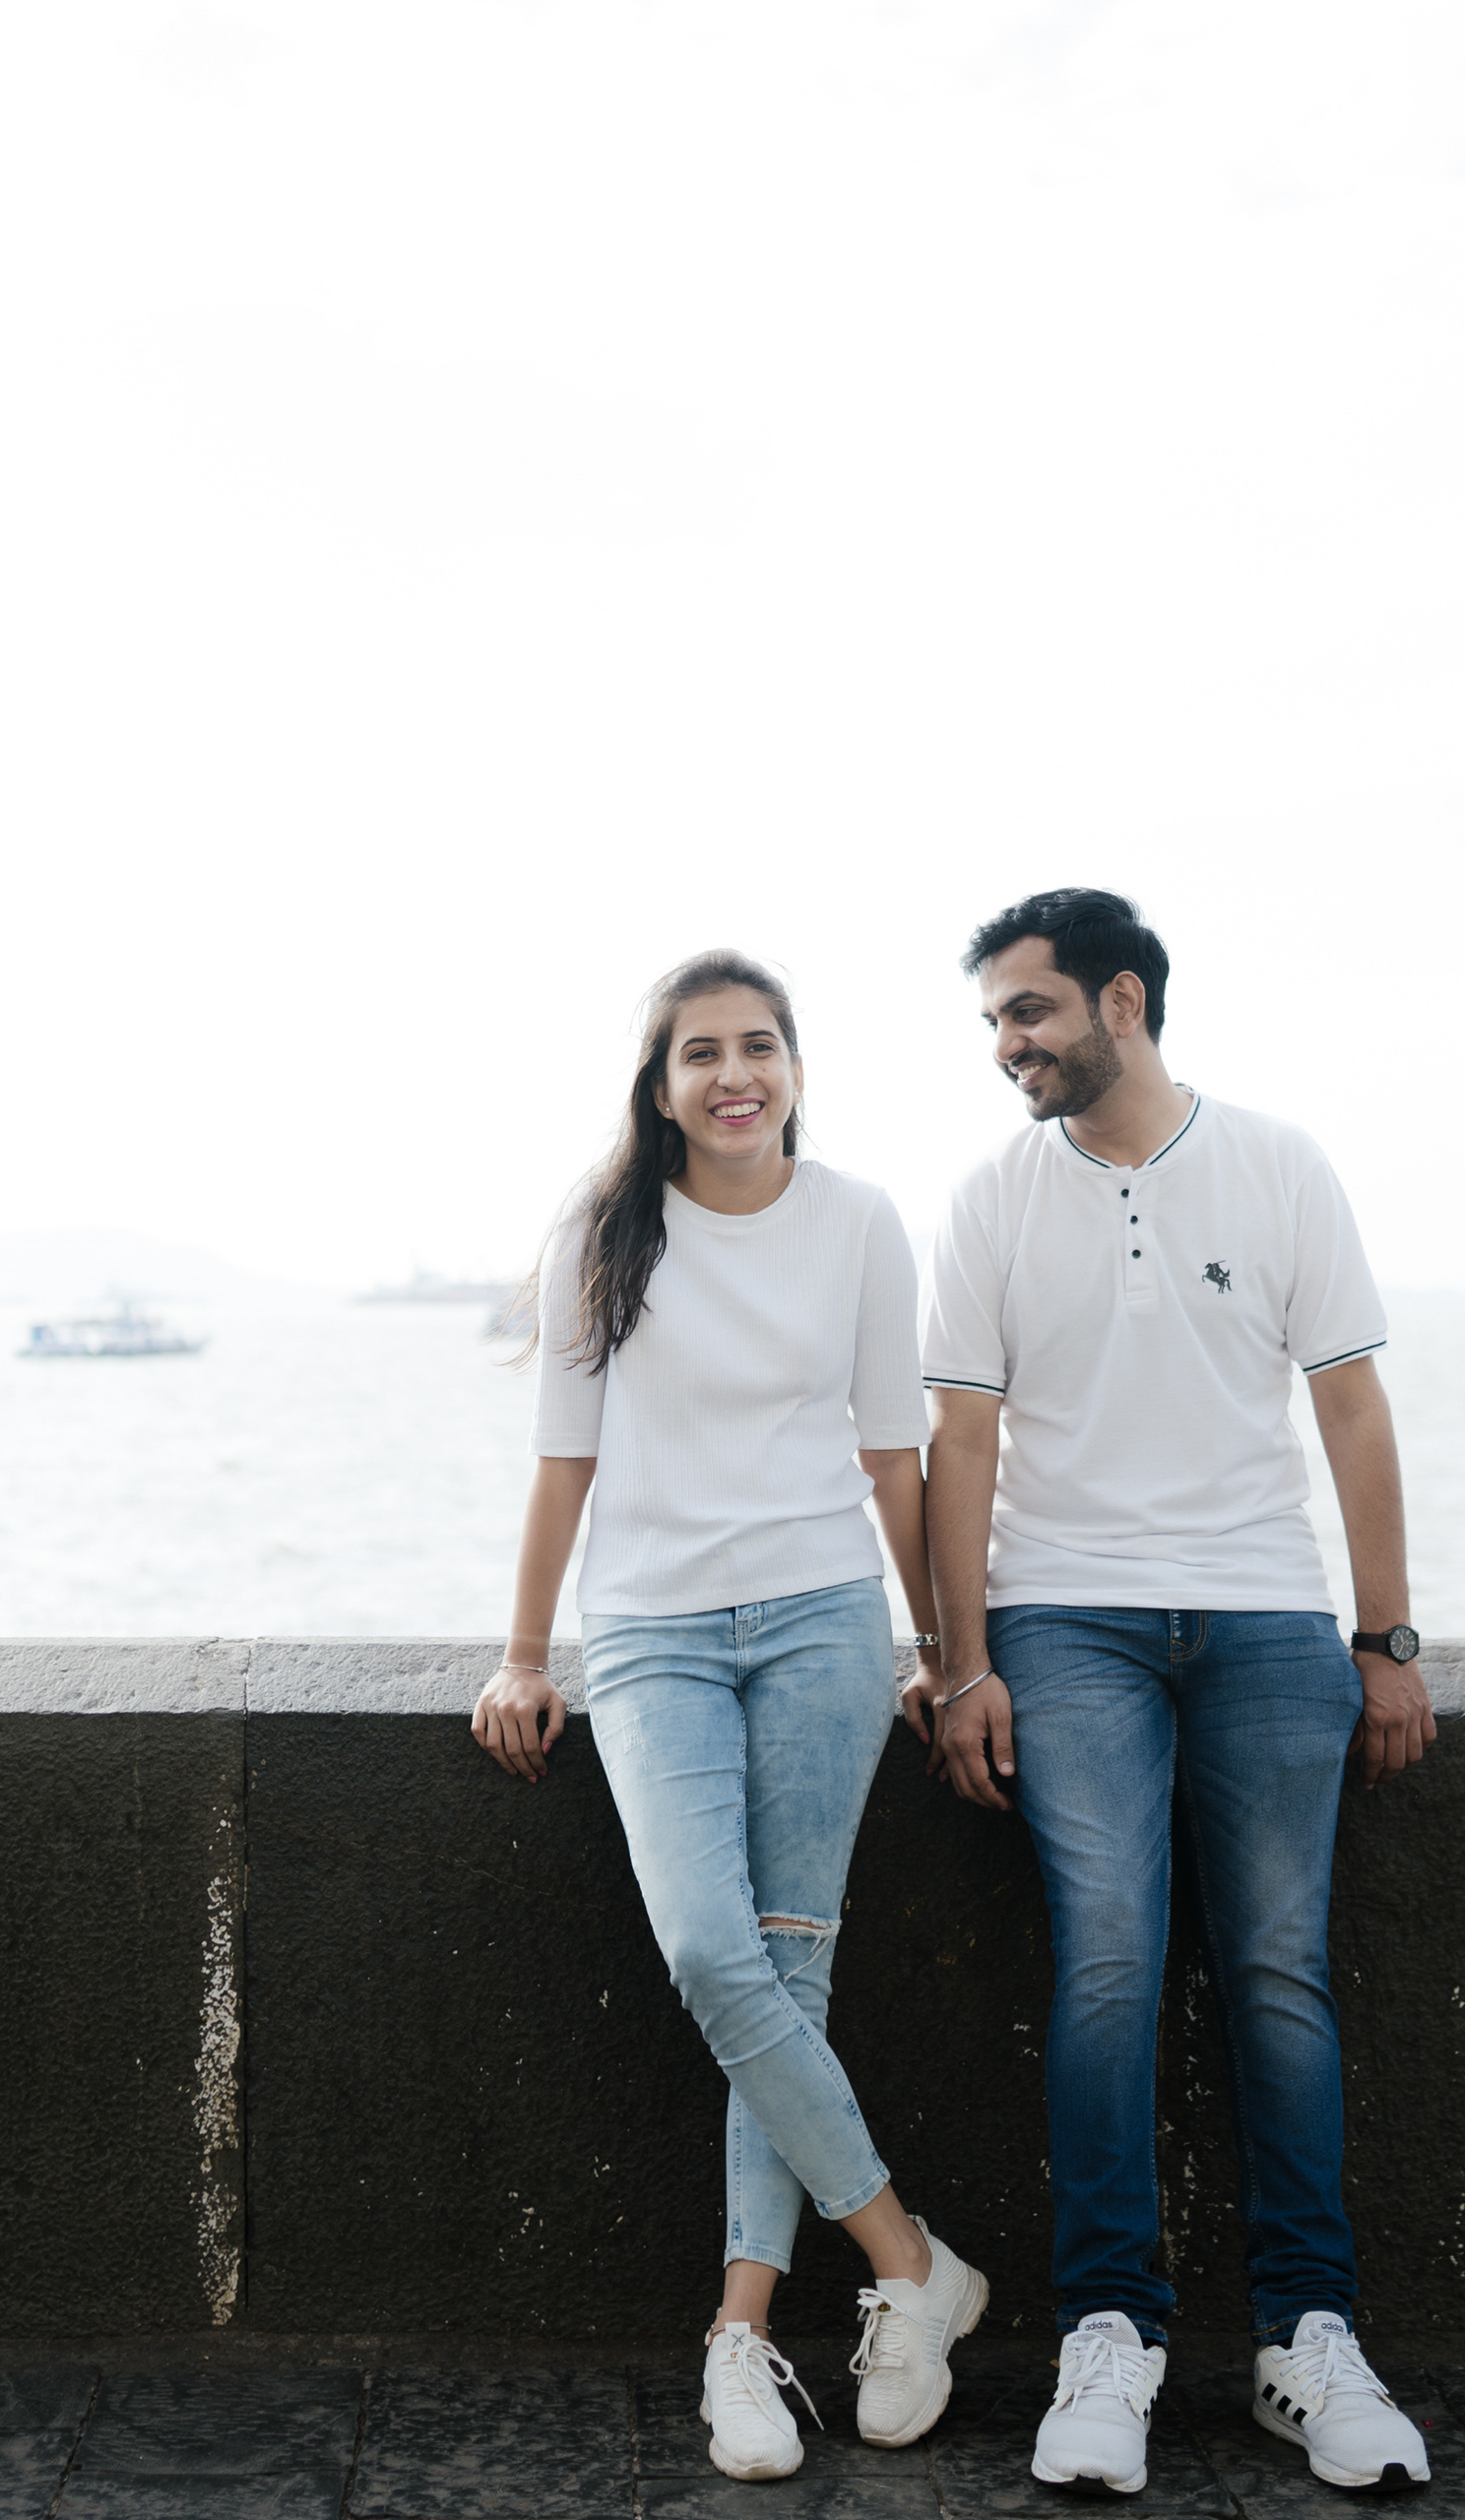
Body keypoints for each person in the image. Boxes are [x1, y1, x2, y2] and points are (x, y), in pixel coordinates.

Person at [908, 889, 1439, 2496]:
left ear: (1122, 1001)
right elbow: (961, 1444)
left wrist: (1387, 1641)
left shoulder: (1278, 1164)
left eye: (1028, 1011)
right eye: (994, 1020)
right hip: (1065, 1620)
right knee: (1107, 1961)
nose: (1006, 1045)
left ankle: (1309, 2339)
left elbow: (1351, 1408)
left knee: (1280, 1969)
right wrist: (961, 1662)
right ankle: (1110, 2336)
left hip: (1267, 1615)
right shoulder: (992, 1198)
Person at [472, 948, 991, 2485]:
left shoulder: (859, 1223)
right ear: (660, 1085)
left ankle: (740, 2333)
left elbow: (893, 1457)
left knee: (787, 1970)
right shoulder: (602, 1233)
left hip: (824, 1624)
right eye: (700, 1051)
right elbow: (564, 1459)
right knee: (714, 1953)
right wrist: (524, 1655)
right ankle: (910, 2261)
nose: (733, 1074)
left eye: (759, 1045)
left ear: (796, 1071)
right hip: (651, 1635)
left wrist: (945, 1656)